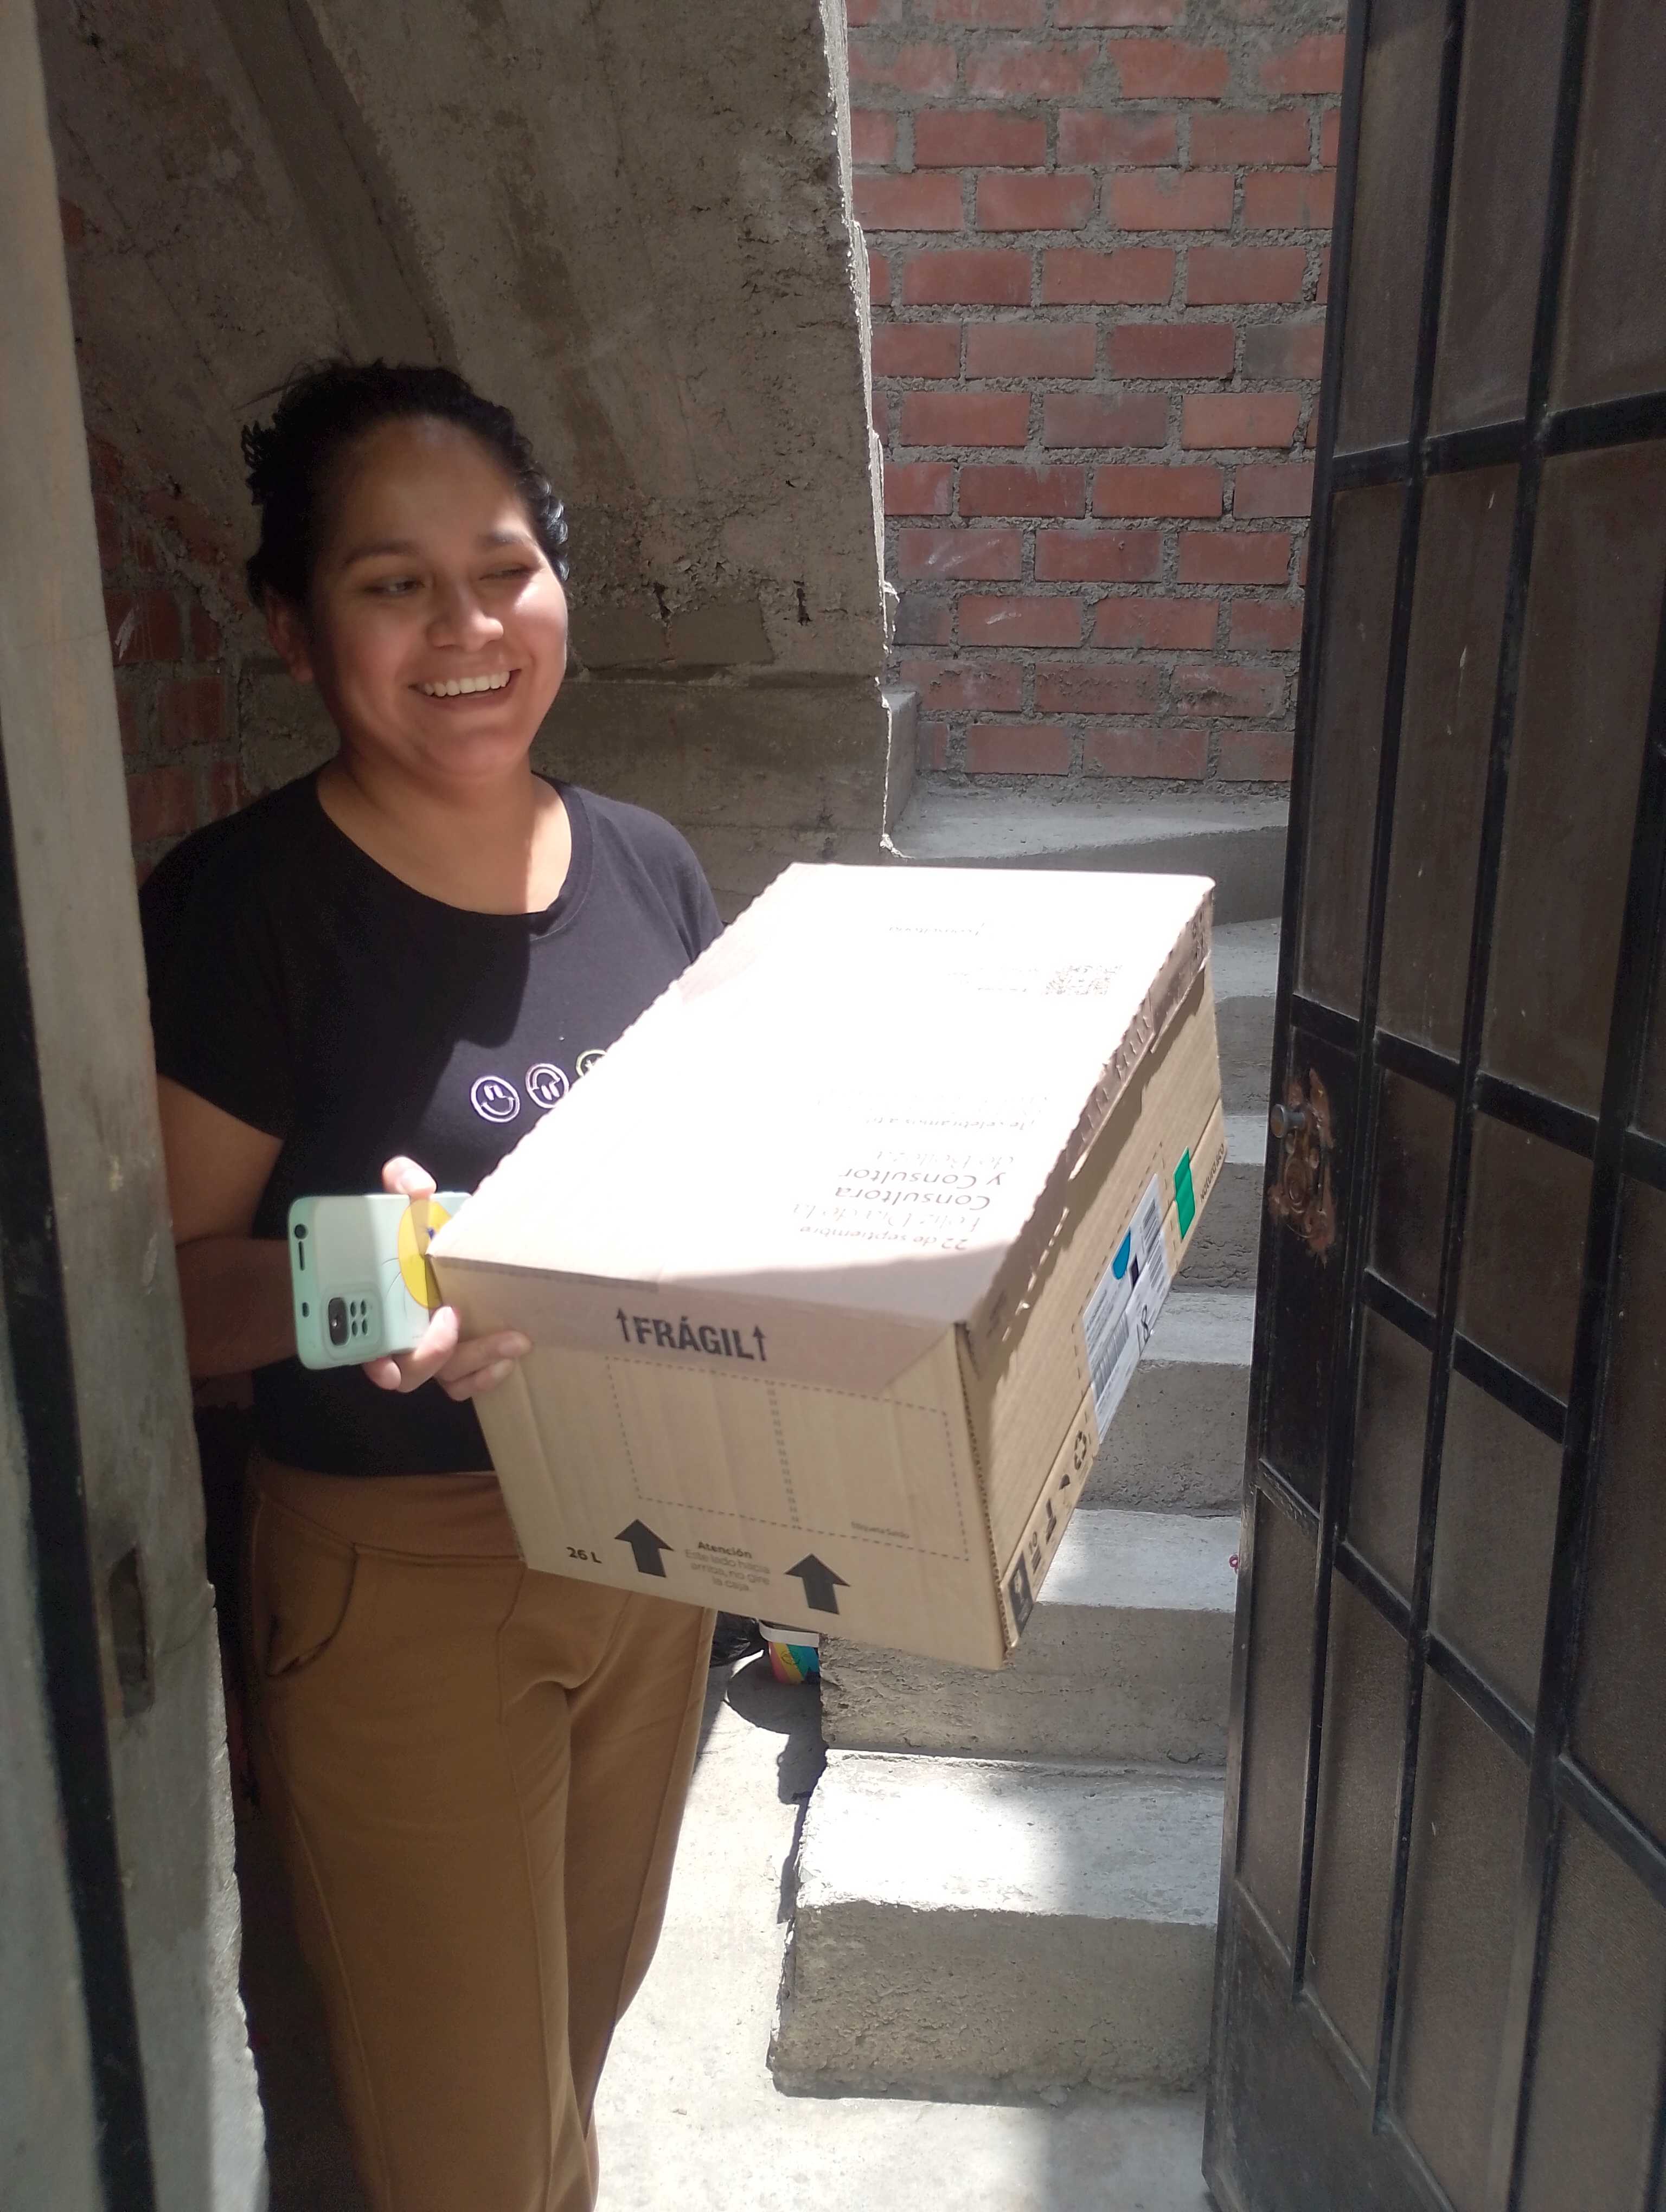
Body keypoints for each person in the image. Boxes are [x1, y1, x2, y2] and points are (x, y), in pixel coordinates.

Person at [144, 359, 722, 2212]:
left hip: (650, 1556)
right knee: (463, 2150)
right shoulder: (247, 909)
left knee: (564, 2073)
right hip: (403, 1586)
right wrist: (382, 1276)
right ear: (295, 628)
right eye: (395, 584)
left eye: (503, 569)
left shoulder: (649, 868)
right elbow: (154, 1301)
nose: (468, 630)